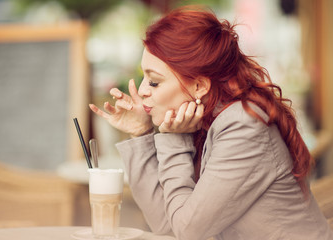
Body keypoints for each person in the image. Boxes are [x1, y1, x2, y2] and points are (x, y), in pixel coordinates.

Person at [89, 6, 333, 240]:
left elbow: (188, 231)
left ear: (199, 86)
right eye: (144, 78)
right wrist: (141, 134)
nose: (142, 91)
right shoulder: (208, 122)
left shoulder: (243, 126)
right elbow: (166, 224)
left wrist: (174, 140)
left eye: (154, 82)